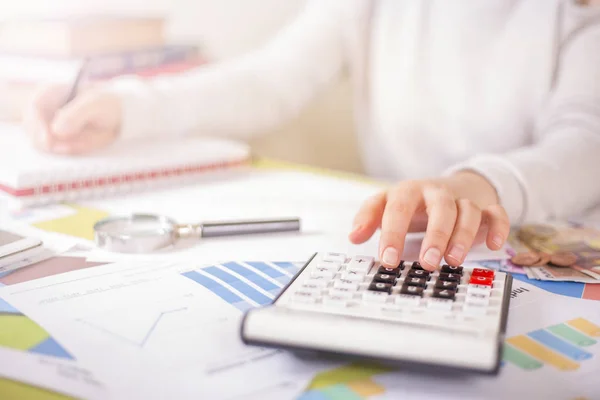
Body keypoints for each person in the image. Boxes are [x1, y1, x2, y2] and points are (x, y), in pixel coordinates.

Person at [24, 0, 600, 271]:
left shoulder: (576, 16)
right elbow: (268, 81)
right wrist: (127, 107)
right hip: (406, 248)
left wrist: (478, 184)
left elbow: (584, 143)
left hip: (535, 252)